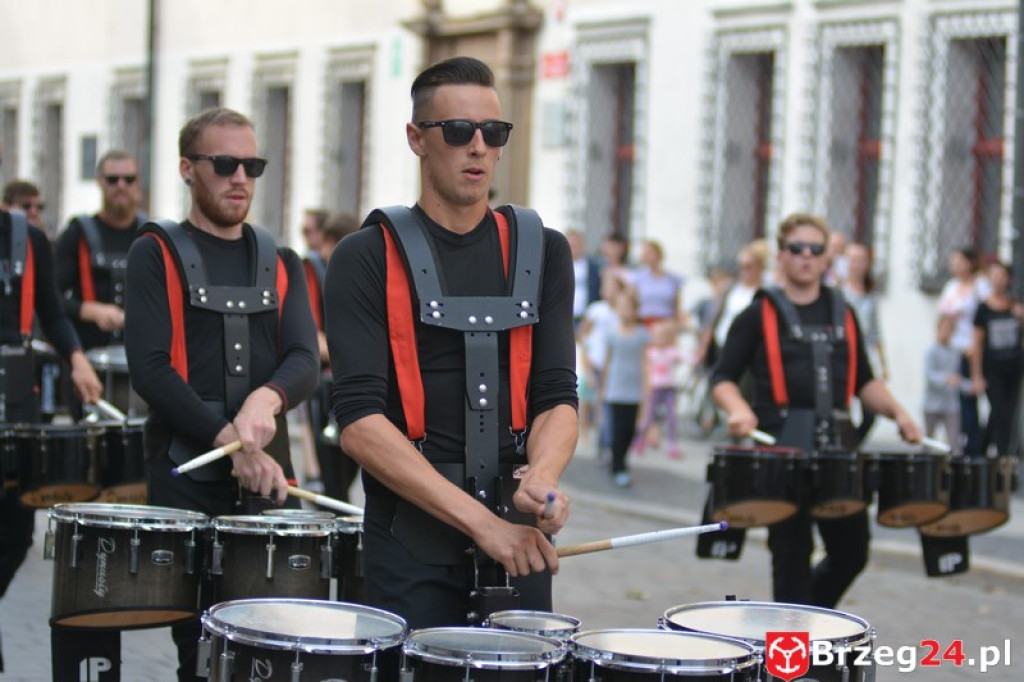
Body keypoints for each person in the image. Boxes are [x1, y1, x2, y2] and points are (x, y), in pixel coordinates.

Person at [324, 56, 577, 630]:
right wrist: (482, 524)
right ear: (417, 139)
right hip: (408, 545)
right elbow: (360, 423)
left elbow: (558, 394)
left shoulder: (545, 250)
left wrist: (541, 476)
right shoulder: (364, 256)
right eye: (459, 131)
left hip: (520, 539)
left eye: (495, 132)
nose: (479, 147)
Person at [124, 106, 319, 681]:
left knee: (271, 643)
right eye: (225, 164)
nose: (241, 178)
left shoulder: (282, 261)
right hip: (187, 476)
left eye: (252, 165)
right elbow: (152, 371)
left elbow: (304, 359)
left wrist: (266, 400)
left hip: (268, 482)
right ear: (188, 168)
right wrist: (234, 442)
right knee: (202, 649)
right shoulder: (153, 253)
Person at [711, 212, 921, 608]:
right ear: (782, 256)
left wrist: (899, 413)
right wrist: (738, 409)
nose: (806, 256)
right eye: (796, 249)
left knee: (852, 553)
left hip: (838, 450)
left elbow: (864, 381)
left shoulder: (845, 313)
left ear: (827, 258)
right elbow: (722, 378)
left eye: (815, 249)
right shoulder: (757, 313)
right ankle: (793, 655)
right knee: (790, 557)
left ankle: (809, 622)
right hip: (781, 450)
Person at [2, 207, 103, 678]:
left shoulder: (27, 237)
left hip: (16, 405)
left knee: (17, 530)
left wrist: (78, 361)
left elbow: (52, 311)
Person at [54, 150, 144, 353]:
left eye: (128, 179)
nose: (121, 186)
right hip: (87, 358)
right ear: (99, 181)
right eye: (112, 179)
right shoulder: (77, 233)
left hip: (143, 361)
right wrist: (88, 310)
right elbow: (50, 296)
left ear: (137, 182)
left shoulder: (152, 235)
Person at [305, 211, 361, 502]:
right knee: (335, 486)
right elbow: (310, 336)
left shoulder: (358, 276)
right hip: (327, 383)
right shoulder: (313, 272)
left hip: (347, 381)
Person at [938, 247, 990, 455]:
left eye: (959, 261)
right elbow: (942, 315)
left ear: (970, 263)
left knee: (970, 397)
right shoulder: (951, 286)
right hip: (952, 350)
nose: (955, 266)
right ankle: (958, 442)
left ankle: (974, 445)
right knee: (956, 398)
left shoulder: (980, 286)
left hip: (972, 350)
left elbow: (986, 314)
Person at [970, 261, 1023, 457]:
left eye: (1002, 276)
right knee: (1000, 411)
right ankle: (1001, 457)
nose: (998, 280)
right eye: (994, 275)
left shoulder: (1015, 305)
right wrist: (976, 375)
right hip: (992, 369)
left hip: (1014, 368)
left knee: (1006, 413)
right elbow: (976, 344)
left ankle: (981, 450)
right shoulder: (983, 308)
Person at [599, 290, 649, 486]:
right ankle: (619, 466)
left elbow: (645, 362)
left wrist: (647, 386)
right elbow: (608, 361)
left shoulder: (642, 335)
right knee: (617, 428)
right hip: (615, 387)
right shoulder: (612, 333)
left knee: (629, 428)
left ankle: (619, 460)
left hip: (633, 388)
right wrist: (603, 386)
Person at [842, 242, 888, 445]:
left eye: (860, 260)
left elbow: (875, 333)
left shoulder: (871, 296)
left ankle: (852, 444)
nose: (856, 265)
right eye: (852, 260)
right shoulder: (838, 292)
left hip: (865, 357)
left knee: (870, 413)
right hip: (844, 355)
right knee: (845, 409)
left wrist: (883, 365)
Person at [634, 318, 683, 459]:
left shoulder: (672, 352)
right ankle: (640, 440)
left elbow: (687, 357)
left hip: (668, 388)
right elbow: (645, 371)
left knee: (671, 417)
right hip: (654, 388)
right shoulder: (651, 352)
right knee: (648, 416)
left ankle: (672, 444)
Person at [924, 314, 962, 454]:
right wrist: (945, 379)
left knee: (954, 442)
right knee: (927, 441)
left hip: (950, 403)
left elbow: (958, 378)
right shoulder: (931, 351)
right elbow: (930, 375)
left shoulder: (955, 352)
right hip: (932, 403)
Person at [632, 239, 684, 326]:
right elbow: (633, 301)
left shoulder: (672, 279)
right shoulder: (638, 278)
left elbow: (677, 305)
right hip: (644, 322)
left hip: (666, 322)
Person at [566, 229, 602, 327]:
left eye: (576, 245)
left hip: (587, 318)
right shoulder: (560, 266)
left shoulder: (594, 267)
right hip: (565, 317)